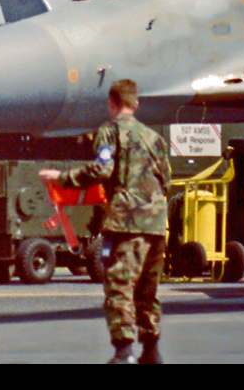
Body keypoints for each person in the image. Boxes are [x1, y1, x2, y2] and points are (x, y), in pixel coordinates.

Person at [39, 79, 171, 364]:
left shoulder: (108, 132)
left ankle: (124, 353)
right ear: (136, 104)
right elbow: (166, 180)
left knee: (120, 285)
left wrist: (62, 178)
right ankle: (151, 350)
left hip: (127, 221)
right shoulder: (154, 137)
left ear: (111, 105)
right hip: (156, 223)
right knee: (148, 290)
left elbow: (103, 168)